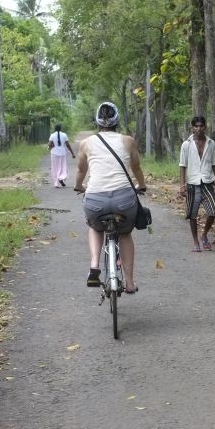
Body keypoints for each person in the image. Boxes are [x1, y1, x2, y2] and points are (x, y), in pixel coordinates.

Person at [74, 101, 148, 293]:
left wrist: (78, 186)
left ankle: (94, 264)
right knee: (124, 233)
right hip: (124, 199)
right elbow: (137, 168)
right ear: (117, 120)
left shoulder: (86, 143)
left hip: (95, 200)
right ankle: (130, 282)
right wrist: (141, 185)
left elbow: (81, 170)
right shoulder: (128, 141)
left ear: (97, 121)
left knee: (94, 226)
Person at [178, 115, 215, 251]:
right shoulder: (186, 144)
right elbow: (182, 165)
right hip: (192, 183)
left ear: (205, 127)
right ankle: (196, 242)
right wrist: (182, 185)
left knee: (212, 211)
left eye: (201, 126)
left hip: (207, 182)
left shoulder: (211, 144)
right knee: (192, 214)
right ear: (192, 128)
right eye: (196, 126)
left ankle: (204, 235)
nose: (199, 129)